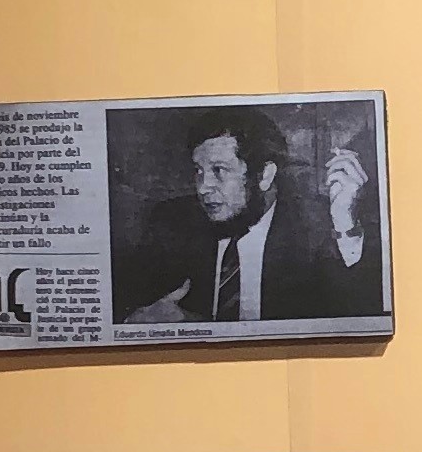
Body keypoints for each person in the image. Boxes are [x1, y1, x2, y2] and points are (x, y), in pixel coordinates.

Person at [131, 112, 378, 326]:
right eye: (199, 171)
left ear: (265, 175)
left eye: (218, 170)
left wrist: (346, 227)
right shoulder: (171, 222)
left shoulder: (318, 226)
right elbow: (128, 305)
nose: (203, 187)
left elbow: (358, 315)